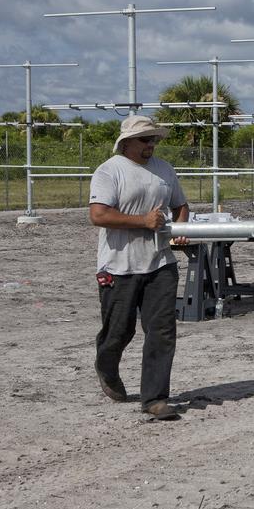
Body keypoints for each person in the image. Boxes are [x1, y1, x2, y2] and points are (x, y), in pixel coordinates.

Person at [88, 114, 190, 419]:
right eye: (146, 139)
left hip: (160, 263)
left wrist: (181, 229)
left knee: (161, 331)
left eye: (155, 139)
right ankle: (106, 365)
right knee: (119, 331)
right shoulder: (109, 171)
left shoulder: (164, 170)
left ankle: (155, 398)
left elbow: (180, 205)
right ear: (127, 142)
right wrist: (142, 221)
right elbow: (99, 215)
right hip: (118, 265)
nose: (152, 145)